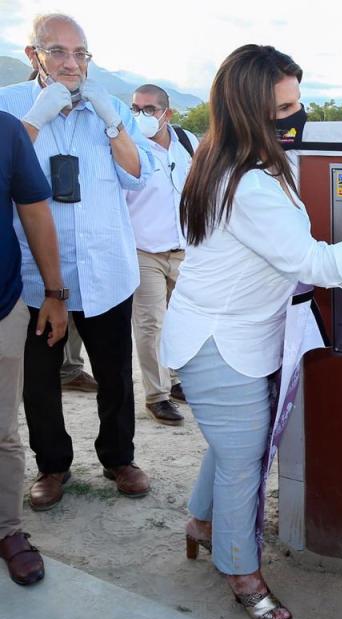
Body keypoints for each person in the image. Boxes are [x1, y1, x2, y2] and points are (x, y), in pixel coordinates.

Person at [160, 44, 342, 619]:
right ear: (246, 112)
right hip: (221, 341)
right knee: (245, 459)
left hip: (236, 334)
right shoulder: (250, 183)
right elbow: (310, 263)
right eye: (282, 107)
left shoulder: (240, 161)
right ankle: (241, 571)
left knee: (233, 446)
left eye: (297, 101)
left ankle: (202, 522)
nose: (296, 116)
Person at [0, 13, 155, 511]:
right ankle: (53, 465)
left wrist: (112, 122)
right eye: (58, 51)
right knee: (40, 383)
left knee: (115, 375)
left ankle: (118, 457)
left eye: (80, 53)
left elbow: (138, 175)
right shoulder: (8, 106)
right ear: (33, 56)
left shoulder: (110, 107)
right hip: (36, 276)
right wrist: (35, 119)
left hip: (106, 268)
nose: (71, 63)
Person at [0, 111, 67, 586]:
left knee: (2, 431)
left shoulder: (5, 130)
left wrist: (54, 293)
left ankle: (7, 531)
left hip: (1, 309)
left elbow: (35, 210)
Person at [125, 84, 198, 426]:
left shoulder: (188, 144)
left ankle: (178, 380)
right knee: (151, 323)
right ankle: (157, 396)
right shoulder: (127, 147)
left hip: (185, 250)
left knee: (184, 320)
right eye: (136, 108)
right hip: (144, 251)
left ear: (167, 113)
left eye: (149, 109)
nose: (141, 115)